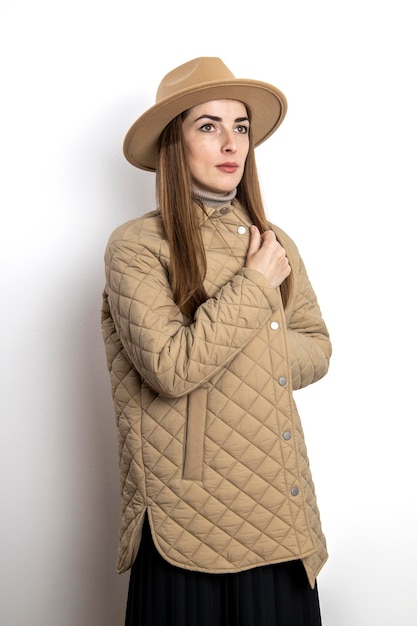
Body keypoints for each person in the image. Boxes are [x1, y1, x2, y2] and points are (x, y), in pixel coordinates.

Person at [101, 57, 332, 626]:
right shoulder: (135, 247)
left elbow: (318, 347)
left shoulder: (274, 243)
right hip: (188, 513)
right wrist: (254, 287)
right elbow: (171, 369)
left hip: (280, 503)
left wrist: (231, 340)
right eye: (208, 126)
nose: (231, 143)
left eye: (241, 127)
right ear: (174, 144)